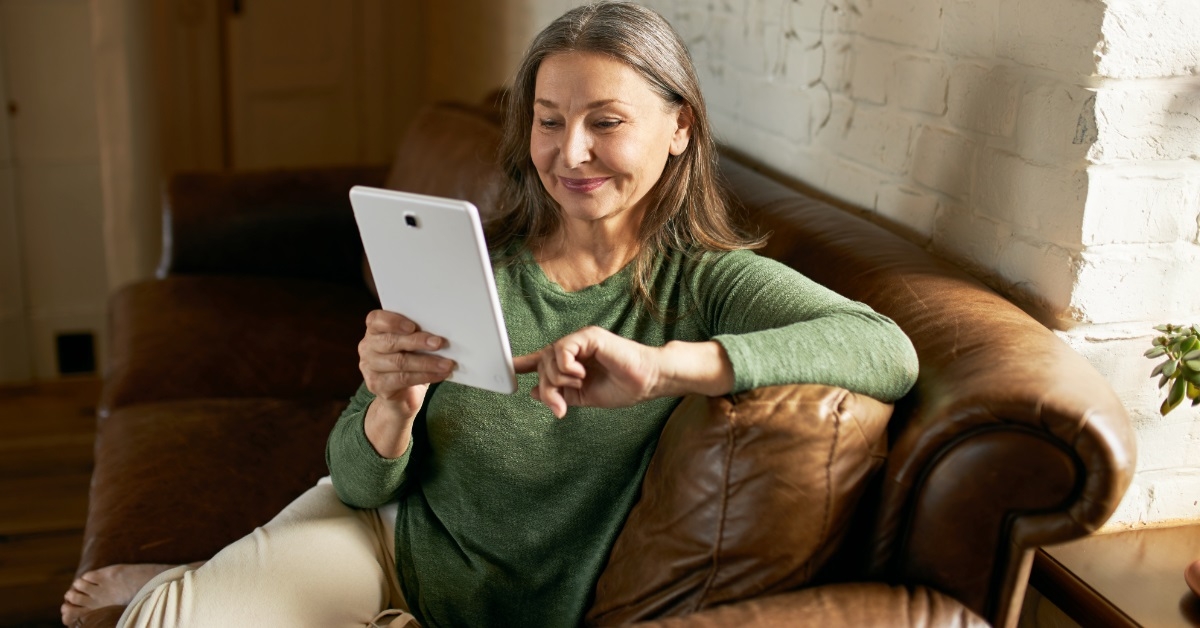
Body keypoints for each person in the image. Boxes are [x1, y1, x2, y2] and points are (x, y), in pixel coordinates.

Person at [61, 2, 918, 627]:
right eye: (549, 121)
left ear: (680, 128)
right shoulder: (478, 262)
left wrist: (666, 368)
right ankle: (193, 590)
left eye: (606, 122)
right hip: (384, 538)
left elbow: (885, 348)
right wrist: (391, 407)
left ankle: (199, 579)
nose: (571, 152)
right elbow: (357, 484)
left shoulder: (706, 285)